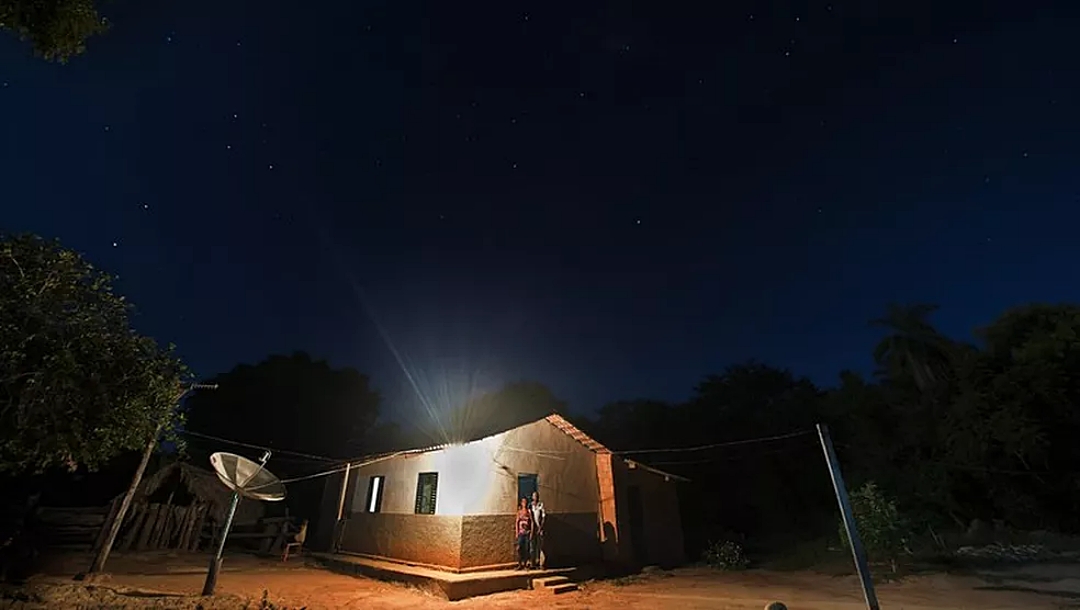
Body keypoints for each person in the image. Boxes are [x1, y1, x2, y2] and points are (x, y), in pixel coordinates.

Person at [529, 491, 546, 569]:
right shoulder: (530, 506)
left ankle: (540, 563)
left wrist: (540, 528)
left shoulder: (540, 505)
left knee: (540, 546)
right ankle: (532, 563)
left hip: (539, 528)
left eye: (536, 496)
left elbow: (543, 517)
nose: (535, 497)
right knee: (532, 546)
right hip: (532, 528)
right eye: (534, 496)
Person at [514, 497, 532, 570]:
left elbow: (532, 522)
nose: (525, 503)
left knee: (526, 548)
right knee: (519, 548)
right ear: (521, 503)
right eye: (523, 502)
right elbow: (517, 522)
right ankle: (520, 564)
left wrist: (531, 531)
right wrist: (517, 532)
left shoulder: (529, 512)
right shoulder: (519, 512)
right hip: (521, 533)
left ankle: (525, 564)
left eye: (526, 502)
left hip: (527, 533)